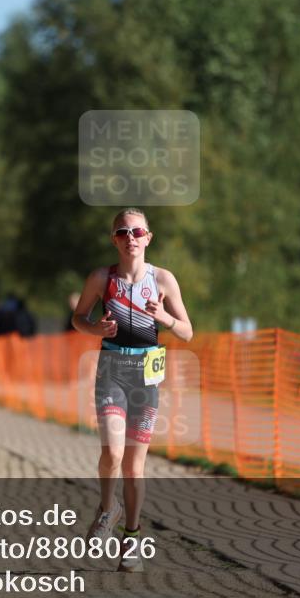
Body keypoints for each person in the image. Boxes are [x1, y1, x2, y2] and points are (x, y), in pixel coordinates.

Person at [71, 207, 193, 572]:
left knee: (135, 466)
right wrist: (96, 330)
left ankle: (132, 538)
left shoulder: (163, 280)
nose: (131, 239)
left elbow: (188, 331)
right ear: (114, 240)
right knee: (112, 452)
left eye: (137, 232)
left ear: (148, 238)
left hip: (146, 374)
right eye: (123, 233)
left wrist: (165, 318)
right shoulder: (100, 278)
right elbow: (78, 318)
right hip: (111, 370)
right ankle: (108, 509)